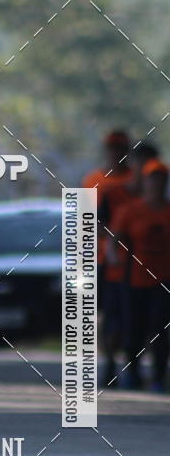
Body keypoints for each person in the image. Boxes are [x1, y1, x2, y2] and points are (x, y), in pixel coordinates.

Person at [111, 158, 170, 391]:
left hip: (163, 280)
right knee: (133, 328)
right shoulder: (131, 210)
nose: (156, 184)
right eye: (152, 179)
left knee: (160, 329)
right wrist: (114, 257)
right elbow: (113, 239)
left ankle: (158, 377)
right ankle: (132, 374)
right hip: (134, 278)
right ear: (145, 182)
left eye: (161, 179)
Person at [82, 130, 132, 386]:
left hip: (132, 261)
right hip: (101, 259)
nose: (116, 153)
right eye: (112, 148)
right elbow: (83, 221)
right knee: (104, 314)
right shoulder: (93, 180)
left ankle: (127, 363)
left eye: (121, 148)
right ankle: (109, 361)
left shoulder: (136, 181)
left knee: (127, 315)